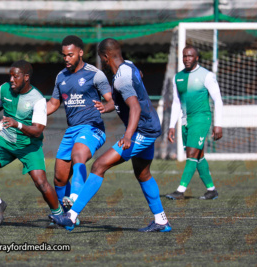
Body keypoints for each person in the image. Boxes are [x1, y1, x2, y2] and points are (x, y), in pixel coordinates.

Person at [49, 38, 171, 232]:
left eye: (102, 58)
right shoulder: (128, 67)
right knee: (143, 173)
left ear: (105, 57)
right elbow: (135, 79)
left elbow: (135, 107)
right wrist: (107, 106)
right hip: (150, 126)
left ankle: (71, 216)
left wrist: (129, 135)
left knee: (98, 166)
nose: (102, 63)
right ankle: (161, 221)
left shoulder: (121, 78)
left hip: (142, 131)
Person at [0, 60, 62, 225]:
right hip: (6, 140)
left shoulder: (38, 99)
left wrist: (17, 124)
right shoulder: (4, 88)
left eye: (15, 76)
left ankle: (59, 215)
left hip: (29, 146)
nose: (11, 79)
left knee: (41, 183)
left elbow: (38, 130)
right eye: (10, 76)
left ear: (26, 77)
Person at [47, 35, 114, 213]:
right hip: (71, 131)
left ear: (81, 53)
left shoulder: (95, 74)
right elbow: (53, 104)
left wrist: (106, 107)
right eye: (64, 55)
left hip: (92, 128)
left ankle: (75, 200)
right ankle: (66, 217)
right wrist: (32, 115)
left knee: (78, 155)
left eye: (70, 55)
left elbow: (113, 100)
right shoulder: (61, 76)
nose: (66, 59)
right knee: (60, 179)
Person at [166, 45, 223, 200]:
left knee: (191, 153)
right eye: (184, 56)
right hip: (186, 121)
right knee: (198, 155)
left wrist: (218, 124)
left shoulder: (207, 75)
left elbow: (218, 100)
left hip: (201, 118)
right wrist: (172, 125)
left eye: (190, 56)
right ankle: (211, 190)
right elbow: (177, 103)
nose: (187, 59)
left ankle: (180, 190)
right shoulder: (178, 77)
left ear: (197, 57)